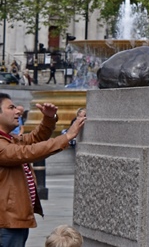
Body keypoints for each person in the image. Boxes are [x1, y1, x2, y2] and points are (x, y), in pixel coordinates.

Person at [0, 94, 85, 247]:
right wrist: (67, 136)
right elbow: (29, 152)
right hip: (5, 223)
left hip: (13, 220)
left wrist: (48, 119)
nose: (18, 111)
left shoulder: (9, 139)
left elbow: (35, 139)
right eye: (11, 108)